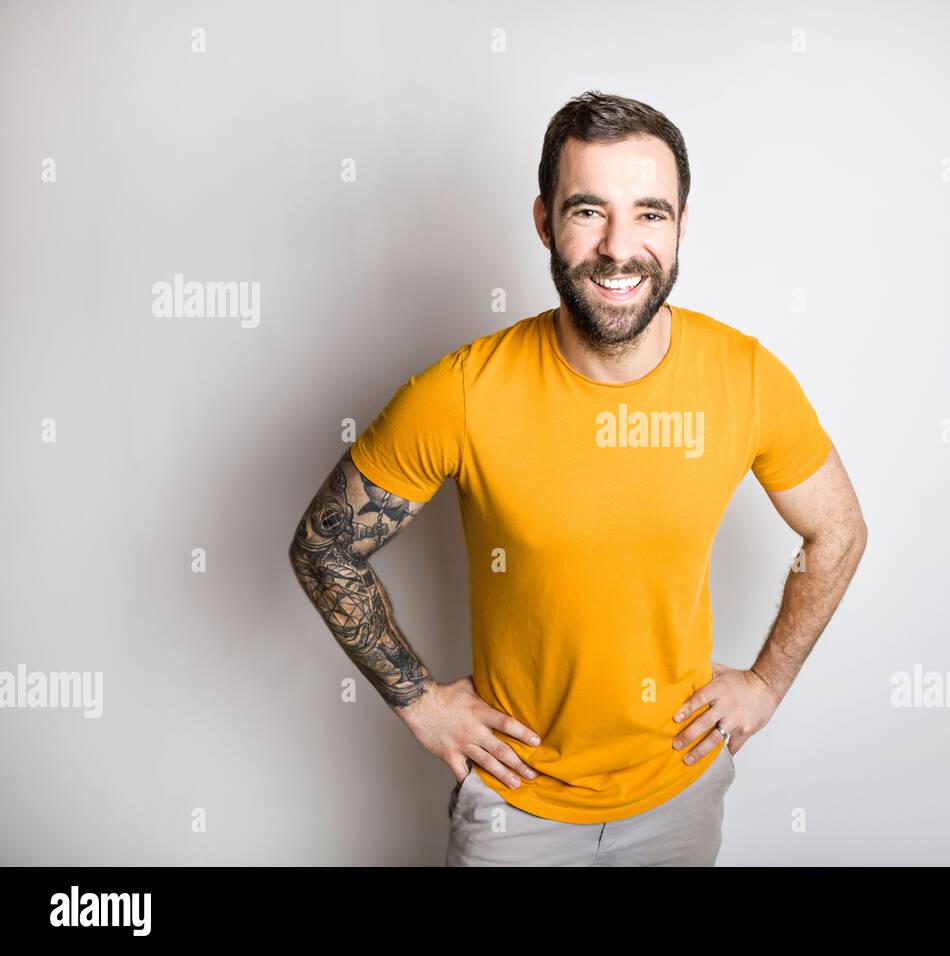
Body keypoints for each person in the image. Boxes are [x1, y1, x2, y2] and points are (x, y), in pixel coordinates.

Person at [289, 91, 869, 866]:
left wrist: (766, 683)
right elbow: (325, 546)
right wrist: (420, 704)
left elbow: (839, 530)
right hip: (512, 809)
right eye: (588, 211)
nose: (618, 247)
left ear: (682, 226)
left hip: (679, 800)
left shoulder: (748, 379)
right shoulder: (463, 392)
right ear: (544, 222)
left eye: (650, 214)